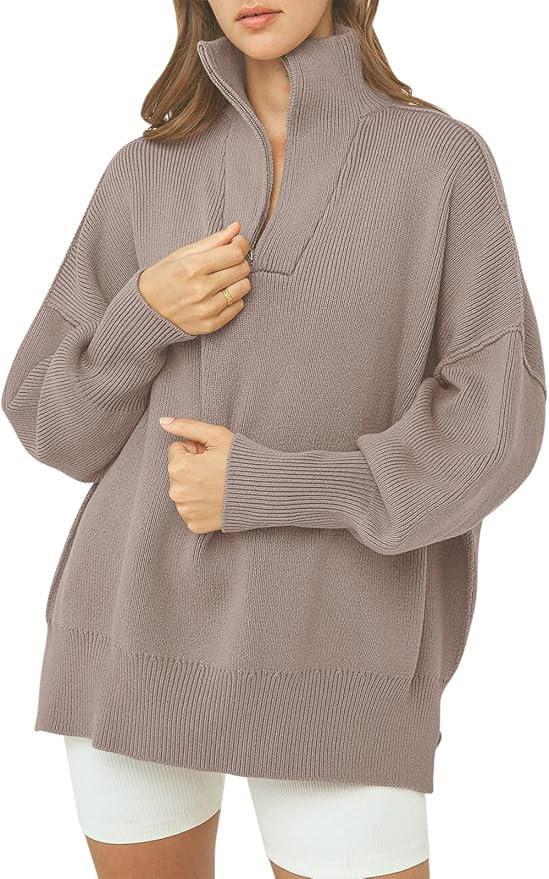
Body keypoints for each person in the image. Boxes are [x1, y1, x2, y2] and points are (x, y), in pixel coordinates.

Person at [2, 1, 546, 878]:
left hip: (340, 653)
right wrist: (141, 316)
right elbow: (49, 424)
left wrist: (275, 485)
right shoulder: (145, 170)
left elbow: (494, 425)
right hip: (130, 634)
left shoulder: (440, 162)